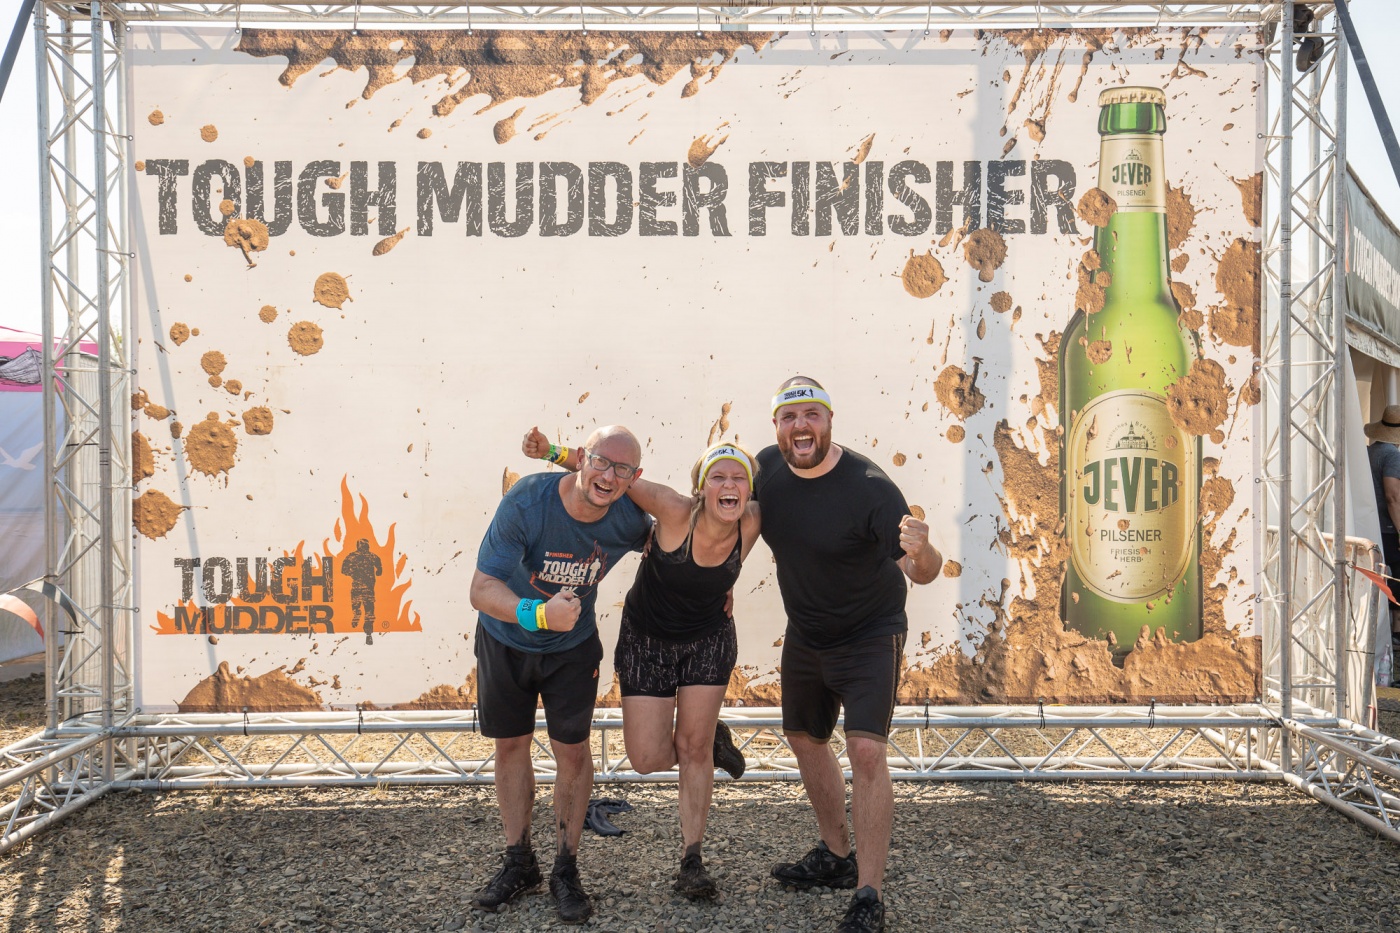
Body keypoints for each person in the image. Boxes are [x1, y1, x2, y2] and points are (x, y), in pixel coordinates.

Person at [522, 426, 760, 899]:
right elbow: (613, 474)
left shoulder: (752, 520)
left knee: (692, 749)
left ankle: (692, 861)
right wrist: (550, 450)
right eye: (718, 477)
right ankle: (708, 740)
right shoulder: (673, 510)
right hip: (647, 639)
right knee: (647, 758)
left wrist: (727, 583)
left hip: (709, 638)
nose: (729, 485)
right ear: (700, 488)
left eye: (739, 478)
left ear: (750, 490)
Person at [759, 377, 943, 933]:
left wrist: (924, 550)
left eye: (811, 415)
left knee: (865, 751)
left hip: (869, 634)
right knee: (804, 739)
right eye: (789, 417)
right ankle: (836, 855)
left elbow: (922, 572)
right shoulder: (764, 470)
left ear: (829, 421)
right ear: (777, 426)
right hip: (806, 633)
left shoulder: (870, 488)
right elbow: (720, 511)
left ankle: (869, 894)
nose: (800, 427)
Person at [468, 425, 652, 924]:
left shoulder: (629, 519)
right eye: (600, 462)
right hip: (506, 638)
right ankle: (519, 860)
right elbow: (481, 589)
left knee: (572, 752)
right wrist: (537, 614)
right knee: (511, 745)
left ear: (634, 477)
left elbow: (680, 540)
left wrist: (719, 586)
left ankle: (565, 869)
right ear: (581, 459)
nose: (607, 477)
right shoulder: (528, 501)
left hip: (572, 649)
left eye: (622, 469)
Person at [1365, 404, 1400, 681]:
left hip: (1370, 525)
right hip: (1388, 529)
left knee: (1379, 579)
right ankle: (1394, 635)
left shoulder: (1369, 452)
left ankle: (1387, 635)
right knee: (1393, 580)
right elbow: (1392, 496)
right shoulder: (1392, 455)